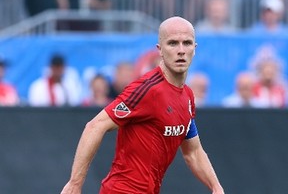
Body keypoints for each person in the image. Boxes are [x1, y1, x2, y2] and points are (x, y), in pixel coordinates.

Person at [61, 16, 224, 194]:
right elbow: (95, 126)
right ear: (160, 50)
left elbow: (193, 152)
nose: (181, 50)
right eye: (172, 43)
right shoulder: (147, 89)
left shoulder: (187, 96)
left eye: (187, 43)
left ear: (195, 48)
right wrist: (75, 184)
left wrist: (216, 187)